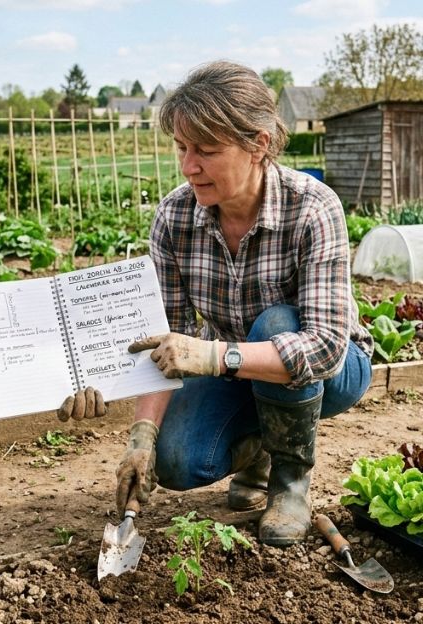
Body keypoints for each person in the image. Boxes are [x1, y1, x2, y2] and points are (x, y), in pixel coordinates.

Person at [58, 60, 372, 546]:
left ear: (258, 145)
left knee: (276, 322)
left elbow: (326, 348)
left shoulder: (312, 207)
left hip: (333, 372)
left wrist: (210, 355)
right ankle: (262, 449)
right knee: (177, 460)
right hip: (238, 370)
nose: (188, 166)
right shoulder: (176, 216)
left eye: (206, 150)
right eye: (182, 148)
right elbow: (162, 335)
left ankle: (288, 480)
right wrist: (141, 437)